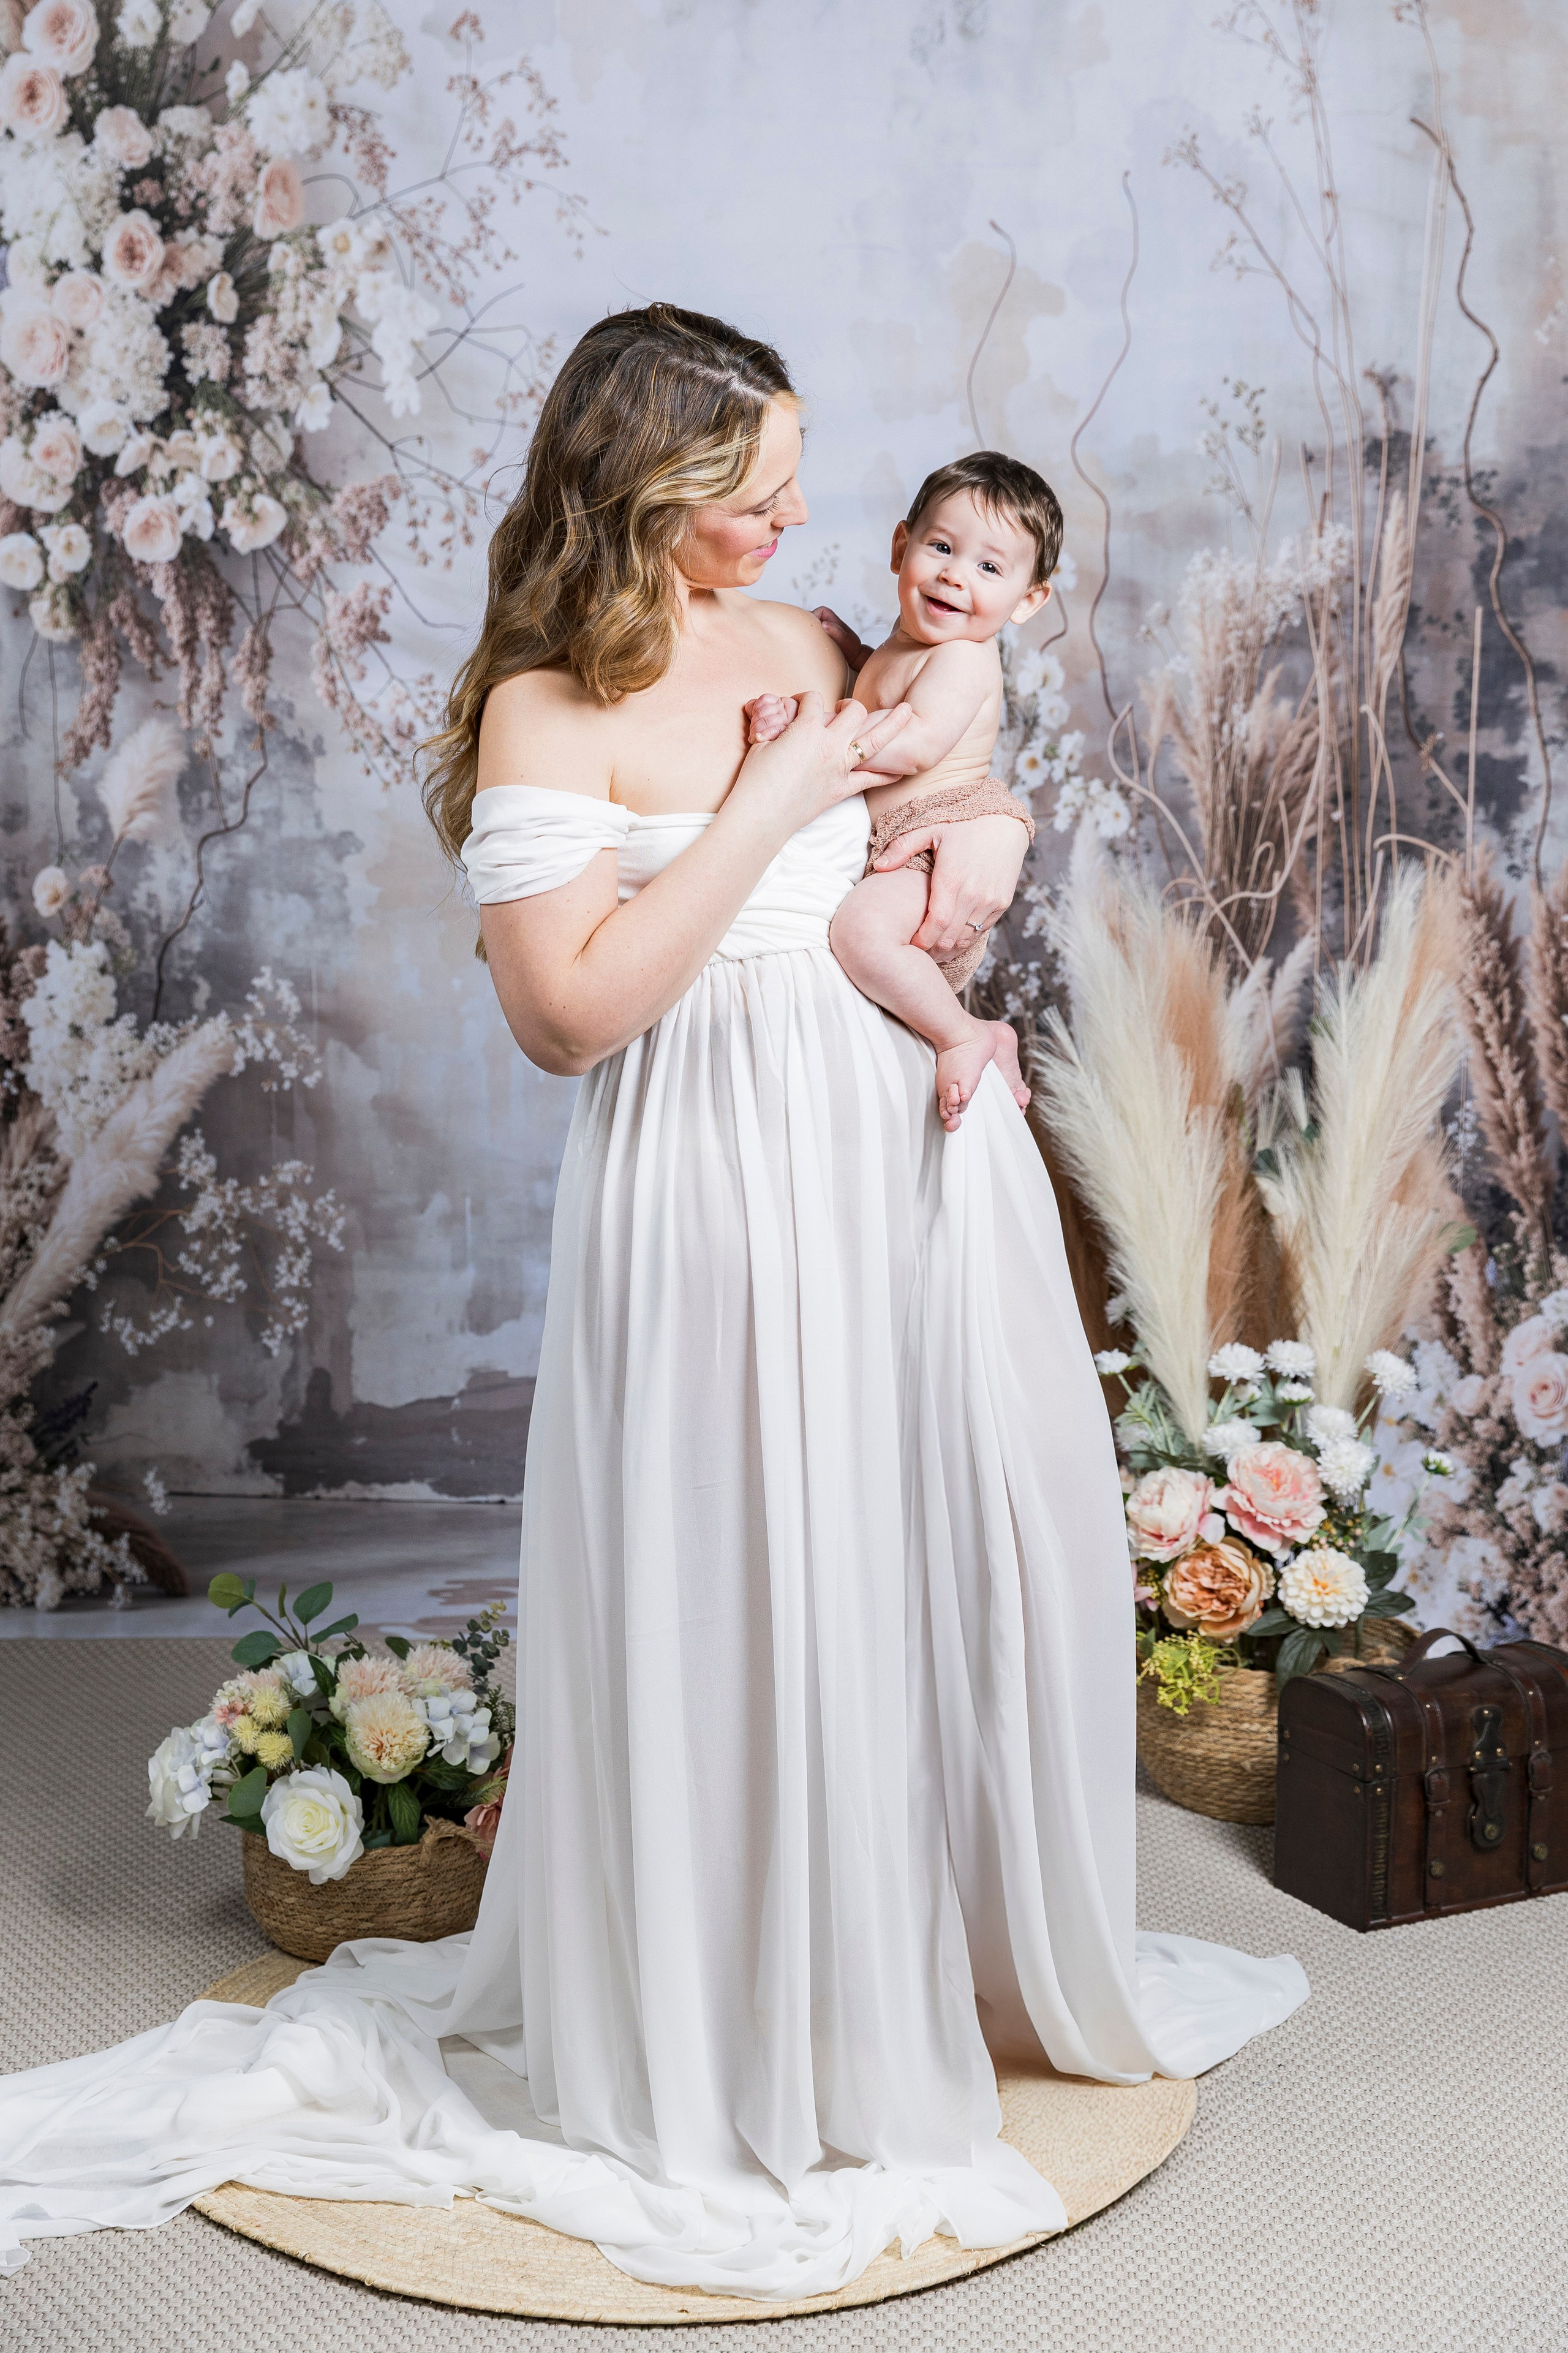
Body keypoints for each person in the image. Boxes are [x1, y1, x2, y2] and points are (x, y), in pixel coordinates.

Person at [0, 305, 1306, 2305]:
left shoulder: (802, 644)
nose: (801, 516)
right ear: (642, 496)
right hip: (696, 1167)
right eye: (751, 490)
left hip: (867, 1143)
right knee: (724, 1572)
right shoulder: (549, 704)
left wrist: (976, 838)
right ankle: (700, 2029)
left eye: (798, 476)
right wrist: (775, 814)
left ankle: (855, 1994)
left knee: (866, 1569)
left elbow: (928, 816)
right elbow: (575, 1012)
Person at [745, 450, 1060, 1128]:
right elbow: (887, 686)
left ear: (1028, 600)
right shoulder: (912, 641)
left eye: (989, 567)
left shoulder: (963, 658)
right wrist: (855, 654)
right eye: (941, 547)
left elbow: (914, 740)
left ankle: (965, 1034)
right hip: (895, 841)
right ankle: (964, 1033)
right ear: (901, 546)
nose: (954, 574)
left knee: (861, 934)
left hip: (928, 846)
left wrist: (812, 725)